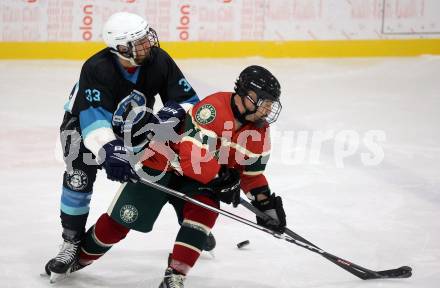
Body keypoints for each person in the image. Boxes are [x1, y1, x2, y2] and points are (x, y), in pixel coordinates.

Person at [70, 65, 287, 287]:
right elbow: (191, 156)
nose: (268, 109)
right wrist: (222, 179)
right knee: (122, 220)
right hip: (162, 164)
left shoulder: (260, 131)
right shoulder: (212, 109)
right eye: (265, 101)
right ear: (247, 96)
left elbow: (251, 174)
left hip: (200, 178)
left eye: (271, 103)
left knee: (204, 213)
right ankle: (80, 258)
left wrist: (265, 205)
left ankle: (175, 274)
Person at [45, 11, 214, 279]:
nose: (149, 44)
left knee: (165, 167)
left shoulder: (158, 60)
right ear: (121, 48)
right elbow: (94, 119)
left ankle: (191, 224)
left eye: (147, 37)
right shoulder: (96, 68)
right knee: (78, 178)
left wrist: (174, 110)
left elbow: (190, 99)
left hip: (133, 125)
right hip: (83, 127)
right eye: (140, 42)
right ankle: (71, 241)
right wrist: (110, 151)